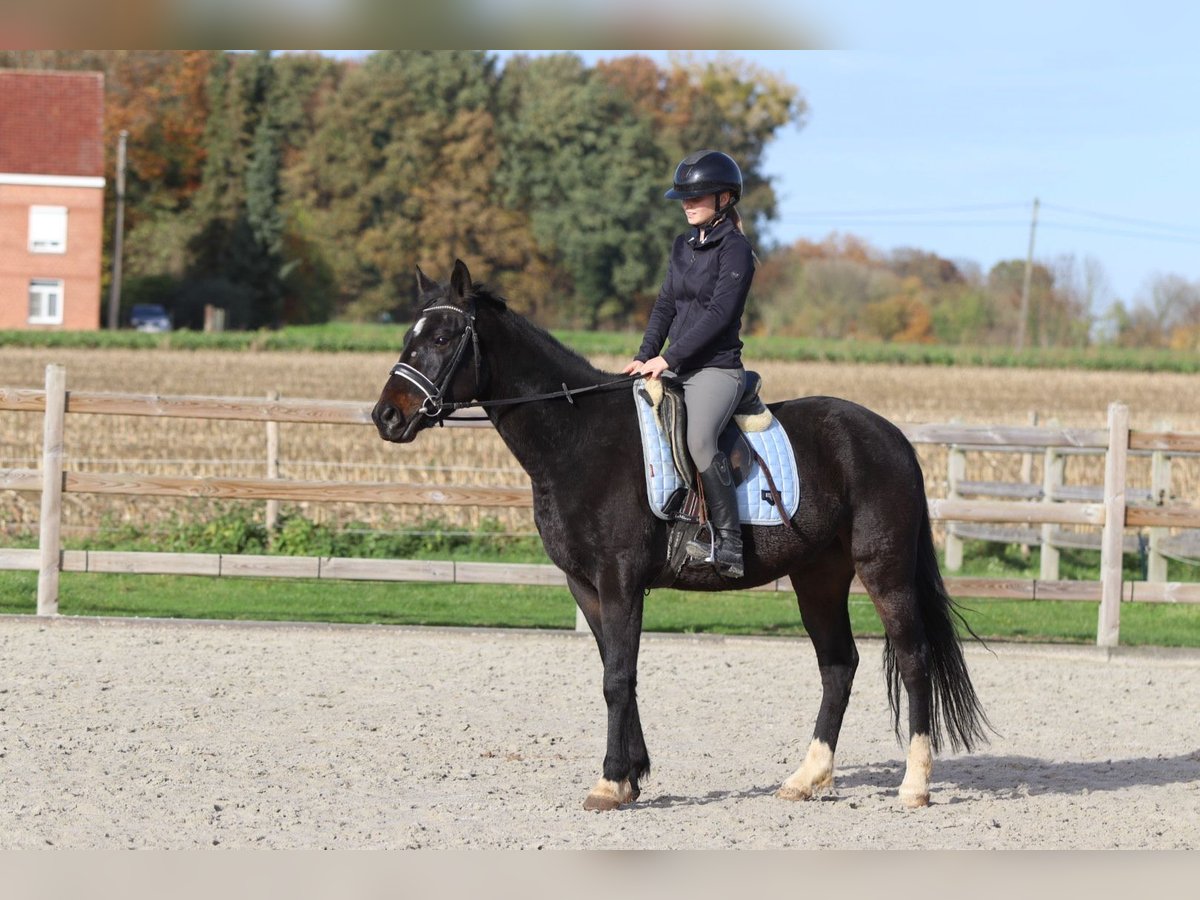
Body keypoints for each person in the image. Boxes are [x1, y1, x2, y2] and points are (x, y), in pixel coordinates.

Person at [622, 149, 755, 578]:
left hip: (716, 370)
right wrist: (644, 355)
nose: (686, 203)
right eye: (683, 196)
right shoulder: (683, 247)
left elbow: (719, 316)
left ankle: (730, 544)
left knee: (699, 440)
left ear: (725, 199)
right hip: (673, 364)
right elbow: (664, 306)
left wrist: (668, 357)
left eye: (696, 196)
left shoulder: (735, 250)